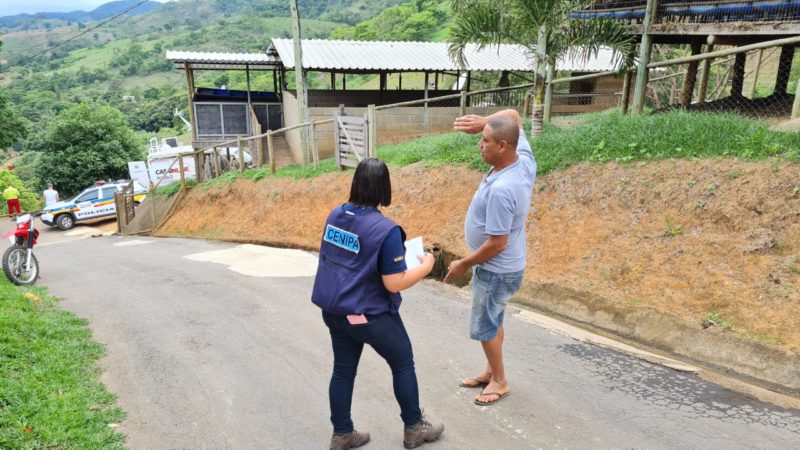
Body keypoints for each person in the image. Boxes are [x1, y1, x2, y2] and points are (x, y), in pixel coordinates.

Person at [311, 157, 445, 450]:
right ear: (385, 187)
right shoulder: (387, 230)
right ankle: (414, 428)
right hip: (367, 315)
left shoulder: (335, 215)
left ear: (356, 182)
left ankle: (342, 433)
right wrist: (426, 266)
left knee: (343, 370)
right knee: (402, 362)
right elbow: (393, 283)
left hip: (334, 310)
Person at [443, 109, 537, 406]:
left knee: (485, 325)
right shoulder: (523, 161)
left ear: (502, 146)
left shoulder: (503, 189)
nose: (479, 144)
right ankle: (490, 370)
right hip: (506, 266)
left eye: (485, 140)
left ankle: (500, 380)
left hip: (496, 269)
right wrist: (485, 122)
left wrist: (463, 263)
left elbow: (497, 243)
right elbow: (513, 115)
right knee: (493, 320)